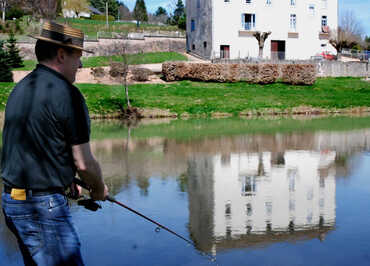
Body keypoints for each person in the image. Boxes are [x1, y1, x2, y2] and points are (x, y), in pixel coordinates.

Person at [1, 21, 108, 266]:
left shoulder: (21, 89)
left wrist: (65, 178)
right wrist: (99, 188)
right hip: (42, 209)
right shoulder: (69, 96)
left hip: (12, 202)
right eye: (77, 57)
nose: (80, 65)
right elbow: (84, 163)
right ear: (61, 54)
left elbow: (35, 146)